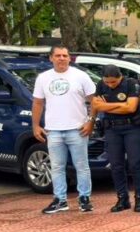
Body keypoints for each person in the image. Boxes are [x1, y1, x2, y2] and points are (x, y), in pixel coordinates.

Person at [31, 46, 96, 214]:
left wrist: (91, 121)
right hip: (53, 130)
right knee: (57, 167)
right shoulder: (43, 78)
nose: (61, 58)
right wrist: (36, 125)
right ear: (51, 58)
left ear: (69, 58)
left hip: (77, 129)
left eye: (65, 55)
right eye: (58, 55)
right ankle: (60, 200)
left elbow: (94, 100)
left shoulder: (81, 76)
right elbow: (38, 103)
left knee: (82, 166)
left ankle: (84, 198)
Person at [92, 65, 140, 212]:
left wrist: (106, 105)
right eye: (107, 82)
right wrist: (118, 106)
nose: (110, 85)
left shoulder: (131, 83)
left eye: (113, 82)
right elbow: (96, 105)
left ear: (120, 77)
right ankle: (122, 198)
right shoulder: (100, 84)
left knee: (136, 164)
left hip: (132, 128)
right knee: (116, 165)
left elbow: (130, 107)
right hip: (112, 129)